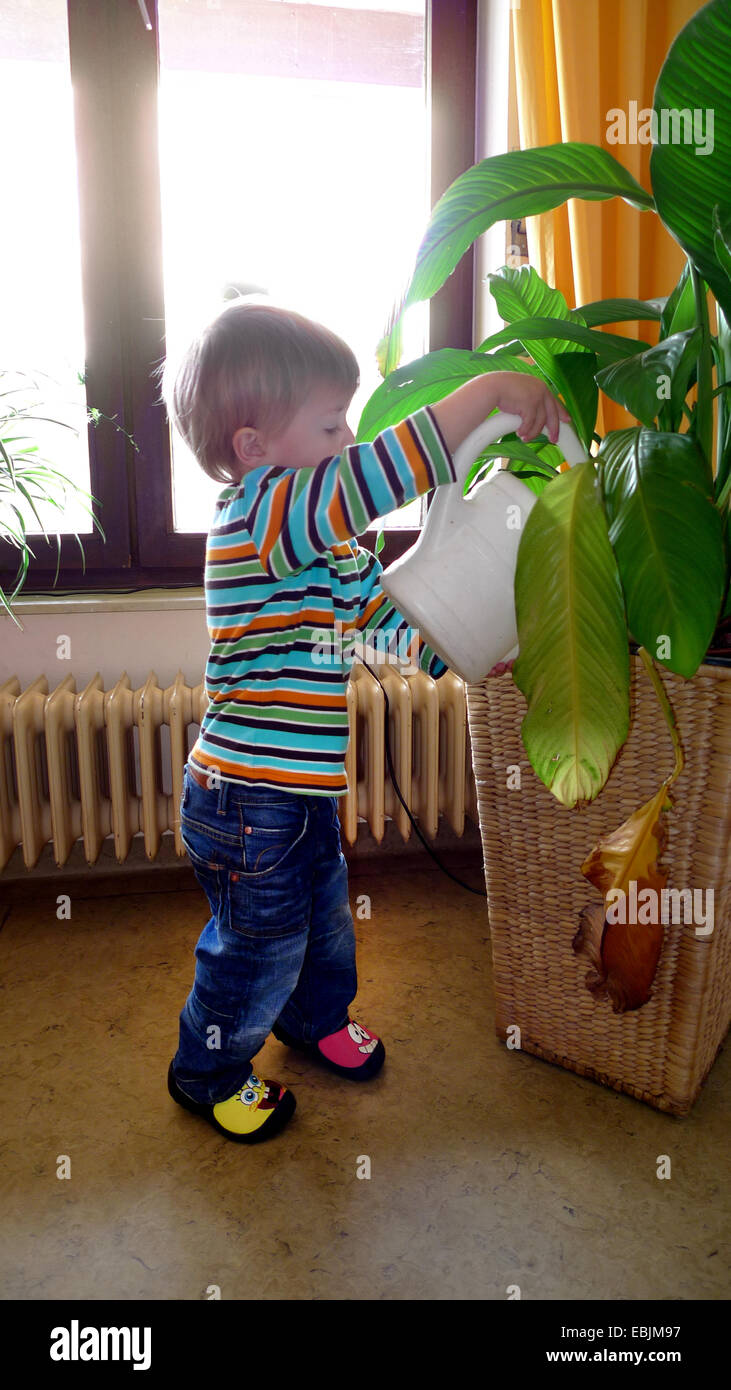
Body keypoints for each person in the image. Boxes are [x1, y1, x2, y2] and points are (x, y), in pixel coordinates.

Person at [158, 300, 569, 1144]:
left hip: (297, 798)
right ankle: (205, 1069)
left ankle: (312, 1023)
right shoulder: (262, 515)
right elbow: (369, 479)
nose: (346, 438)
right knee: (254, 949)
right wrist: (480, 396)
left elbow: (369, 619)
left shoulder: (323, 544)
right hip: (243, 801)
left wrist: (452, 652)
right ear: (252, 448)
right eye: (331, 423)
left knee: (323, 924)